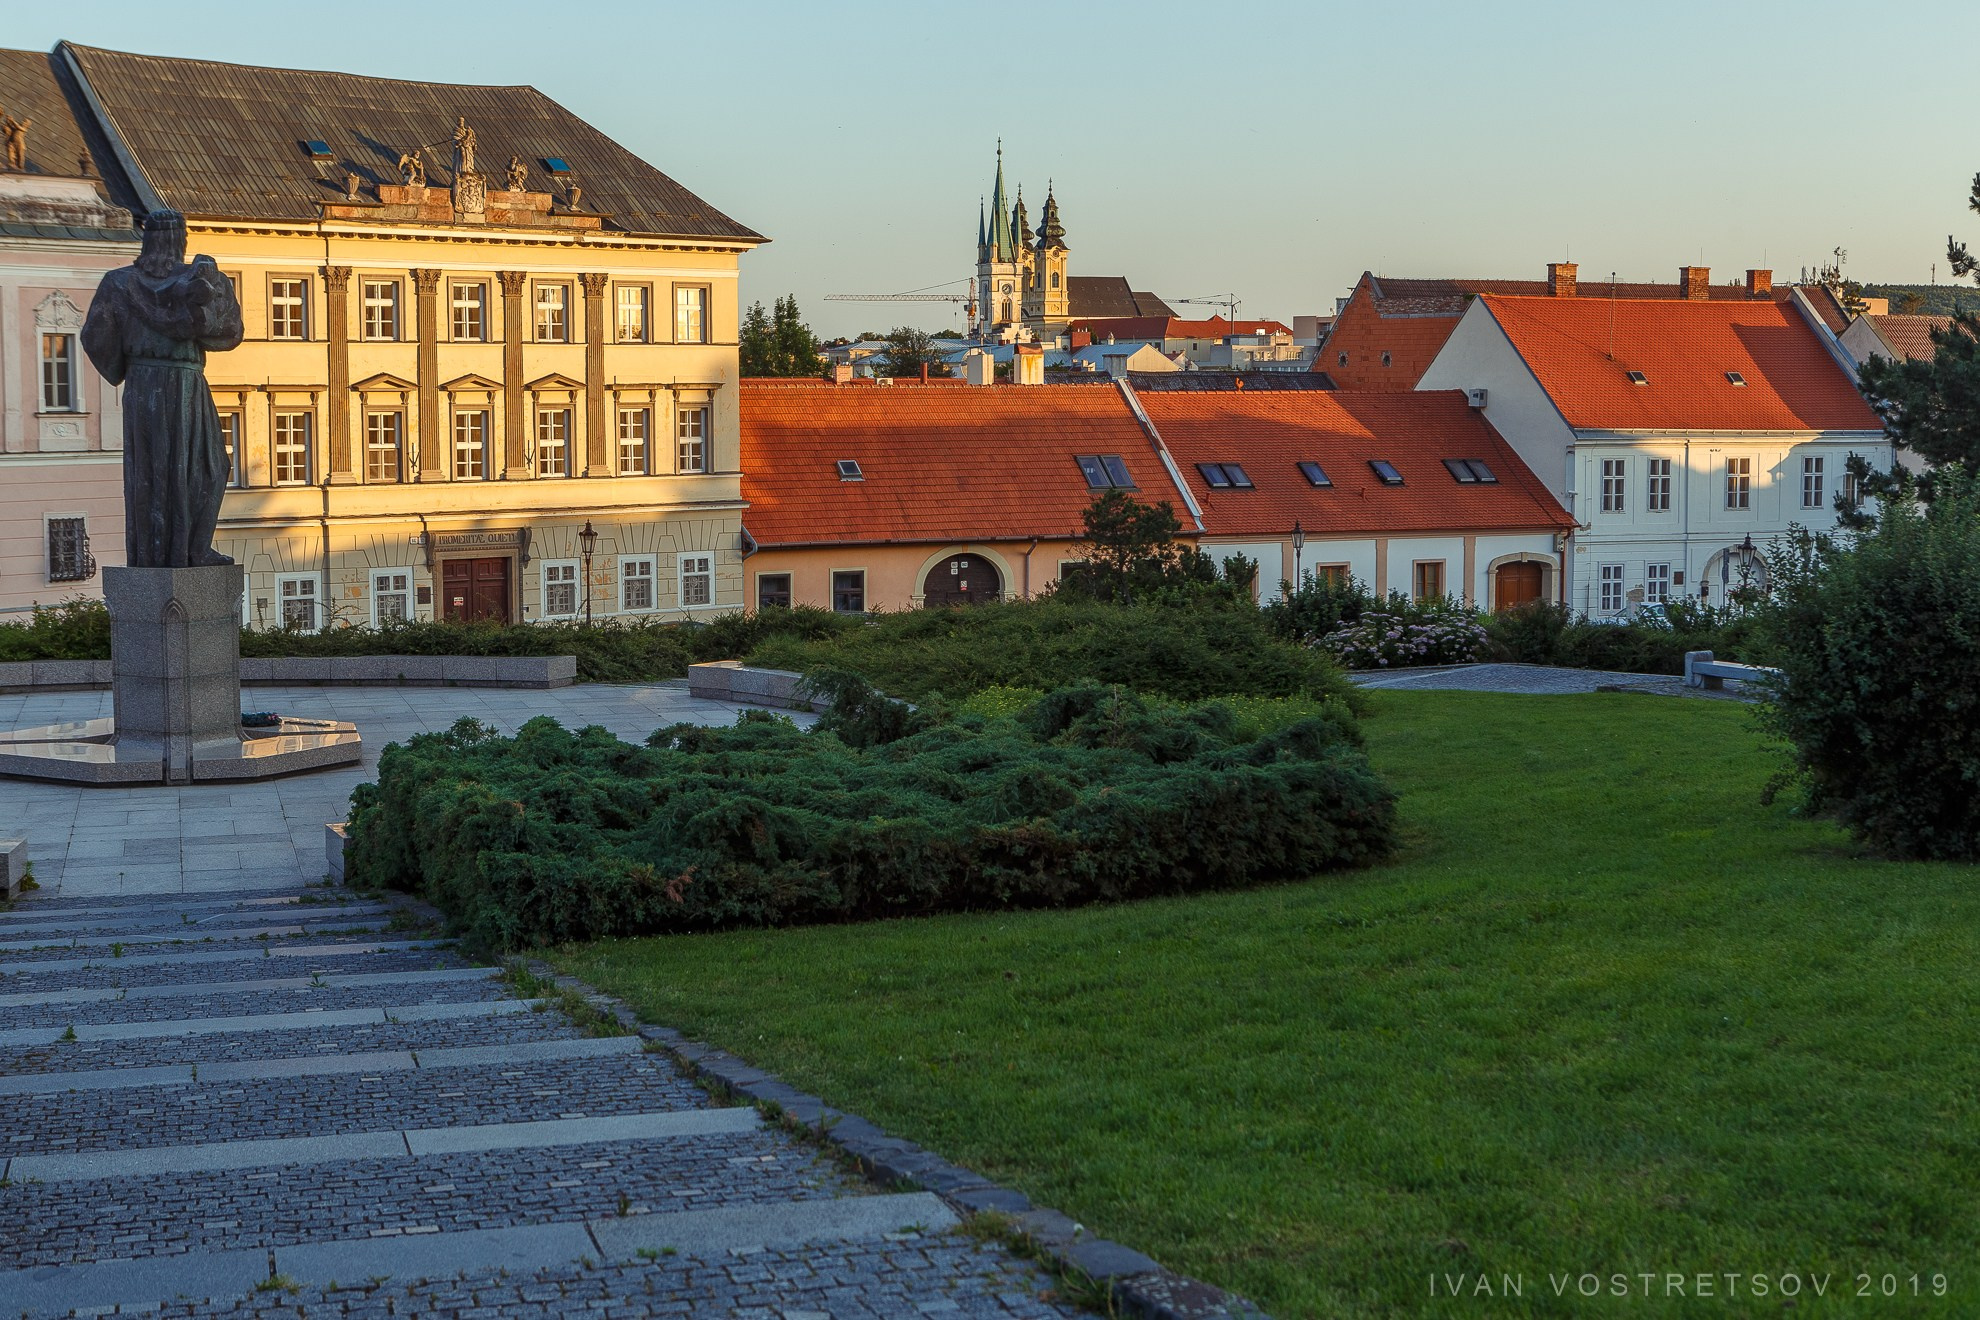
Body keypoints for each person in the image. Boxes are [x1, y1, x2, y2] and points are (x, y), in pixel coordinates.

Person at [80, 210, 244, 568]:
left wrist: (125, 363)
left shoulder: (119, 284)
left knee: (166, 473)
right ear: (181, 239)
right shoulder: (200, 280)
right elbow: (229, 332)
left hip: (149, 385)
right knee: (201, 468)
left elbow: (95, 338)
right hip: (180, 380)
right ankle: (186, 551)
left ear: (148, 240)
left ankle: (172, 552)